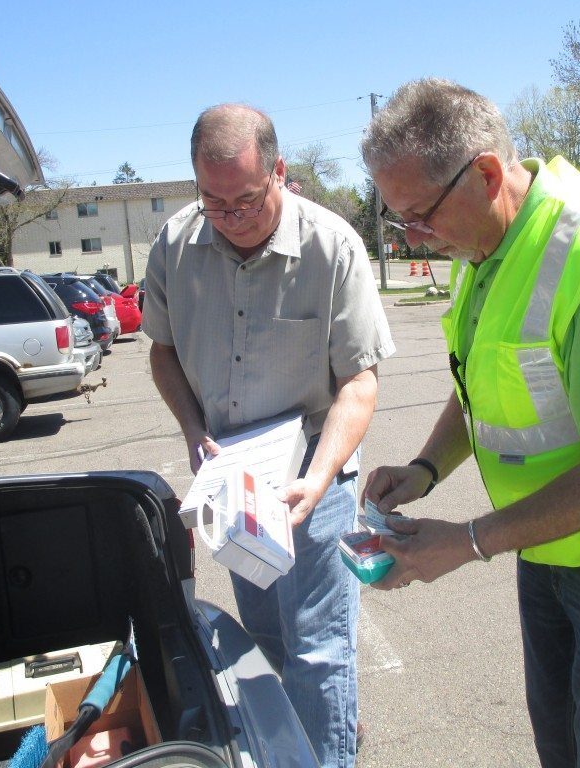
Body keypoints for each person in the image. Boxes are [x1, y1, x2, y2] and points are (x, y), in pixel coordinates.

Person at [360, 78, 580, 768]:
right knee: (562, 750)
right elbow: (484, 391)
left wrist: (466, 541)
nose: (414, 237)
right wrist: (425, 468)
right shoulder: (487, 246)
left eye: (419, 215)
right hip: (548, 544)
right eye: (399, 221)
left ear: (488, 174)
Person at [142, 103, 395, 767]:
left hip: (316, 472)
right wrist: (194, 431)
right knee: (263, 634)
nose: (230, 217)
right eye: (213, 201)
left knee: (317, 647)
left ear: (279, 172)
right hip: (232, 475)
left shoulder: (333, 246)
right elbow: (162, 352)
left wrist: (316, 477)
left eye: (246, 200)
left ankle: (327, 747)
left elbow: (360, 384)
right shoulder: (174, 243)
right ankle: (322, 725)